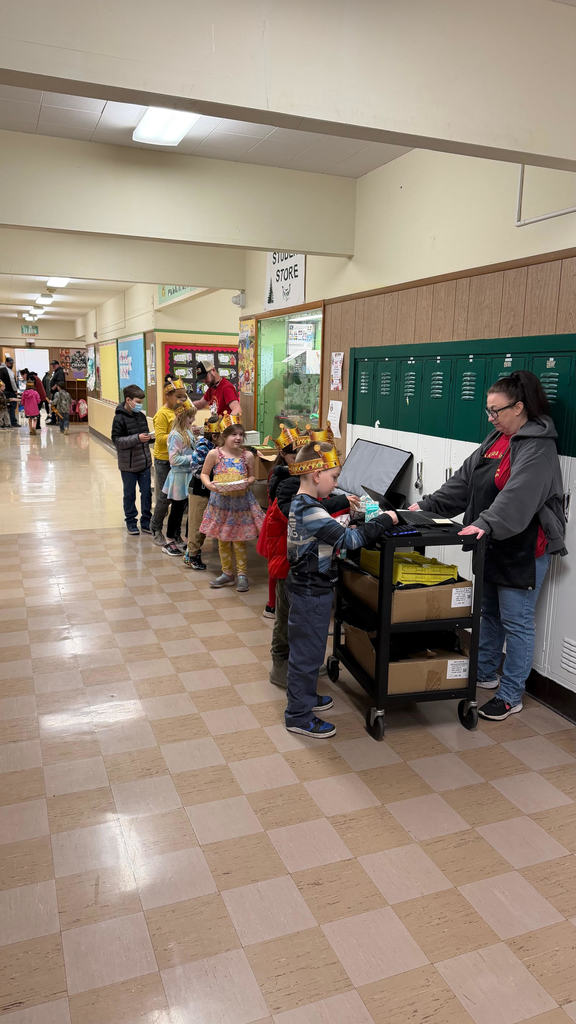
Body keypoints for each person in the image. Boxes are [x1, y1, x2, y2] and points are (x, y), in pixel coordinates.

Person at [411, 369, 566, 722]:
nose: (491, 417)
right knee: (489, 613)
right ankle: (484, 673)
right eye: (488, 410)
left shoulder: (539, 446)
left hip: (524, 547)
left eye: (496, 411)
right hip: (492, 541)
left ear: (520, 408)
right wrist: (428, 505)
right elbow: (464, 482)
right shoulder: (495, 439)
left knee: (518, 621)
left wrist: (484, 523)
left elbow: (519, 496)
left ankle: (511, 695)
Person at [285, 441, 398, 737]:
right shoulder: (310, 510)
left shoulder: (307, 505)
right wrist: (386, 519)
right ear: (316, 474)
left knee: (312, 648)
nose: (336, 484)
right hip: (310, 591)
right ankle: (298, 715)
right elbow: (349, 541)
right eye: (334, 477)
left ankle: (306, 698)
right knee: (307, 654)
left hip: (311, 589)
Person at [258, 425, 354, 689]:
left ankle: (300, 663)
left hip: (298, 561)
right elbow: (304, 513)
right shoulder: (288, 485)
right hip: (286, 561)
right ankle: (281, 665)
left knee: (295, 620)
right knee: (285, 619)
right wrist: (343, 503)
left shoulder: (296, 483)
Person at [200, 421, 264, 592]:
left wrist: (246, 482)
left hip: (241, 503)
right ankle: (227, 572)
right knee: (222, 538)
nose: (238, 438)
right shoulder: (215, 454)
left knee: (239, 539)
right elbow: (204, 473)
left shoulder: (247, 456)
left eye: (241, 435)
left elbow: (252, 477)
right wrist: (210, 486)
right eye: (233, 434)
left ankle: (242, 574)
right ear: (225, 436)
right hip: (220, 503)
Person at [150, 382, 191, 546]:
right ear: (168, 396)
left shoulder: (181, 409)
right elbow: (159, 438)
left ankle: (175, 534)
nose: (182, 400)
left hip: (180, 461)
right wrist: (178, 434)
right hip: (164, 460)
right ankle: (156, 527)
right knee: (164, 497)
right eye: (178, 396)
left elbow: (186, 423)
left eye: (184, 397)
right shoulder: (162, 414)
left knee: (179, 499)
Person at [111, 384, 154, 536]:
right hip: (128, 465)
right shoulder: (119, 418)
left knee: (147, 493)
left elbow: (145, 436)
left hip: (145, 462)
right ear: (128, 400)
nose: (140, 405)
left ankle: (146, 521)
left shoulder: (141, 416)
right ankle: (131, 521)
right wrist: (137, 438)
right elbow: (117, 441)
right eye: (137, 401)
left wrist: (150, 438)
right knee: (129, 494)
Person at [183, 415, 220, 570]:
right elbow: (196, 469)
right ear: (215, 436)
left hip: (209, 490)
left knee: (203, 525)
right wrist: (215, 475)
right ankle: (192, 556)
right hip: (199, 491)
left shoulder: (217, 447)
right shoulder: (204, 447)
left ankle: (191, 553)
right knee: (197, 525)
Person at [162, 405, 198, 557]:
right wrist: (194, 458)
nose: (193, 419)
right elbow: (174, 459)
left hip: (188, 475)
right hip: (178, 477)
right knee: (177, 509)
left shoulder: (187, 431)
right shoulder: (175, 435)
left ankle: (185, 538)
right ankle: (169, 539)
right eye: (190, 417)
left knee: (189, 507)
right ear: (183, 418)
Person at [0, 356, 19, 427]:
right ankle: (13, 422)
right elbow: (12, 381)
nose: (12, 365)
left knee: (4, 408)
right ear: (7, 363)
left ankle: (5, 423)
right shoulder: (7, 370)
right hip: (10, 392)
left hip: (3, 391)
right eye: (11, 364)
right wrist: (15, 390)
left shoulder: (1, 369)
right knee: (12, 408)